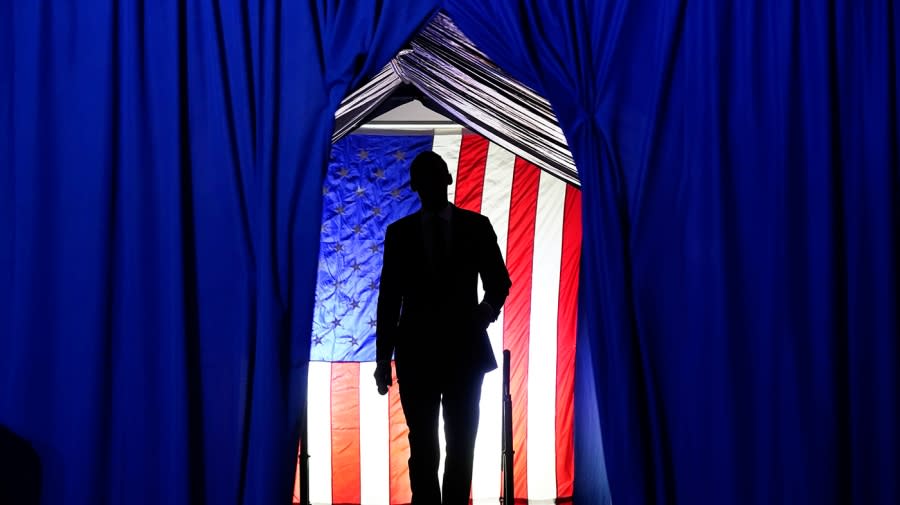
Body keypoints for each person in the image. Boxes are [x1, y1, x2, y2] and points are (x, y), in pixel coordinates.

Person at [374, 151, 511, 505]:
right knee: (424, 445)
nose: (431, 184)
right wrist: (381, 360)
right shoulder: (400, 234)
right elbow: (388, 300)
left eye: (435, 176)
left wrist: (485, 313)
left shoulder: (476, 227)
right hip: (422, 355)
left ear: (446, 180)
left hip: (459, 353)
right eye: (425, 177)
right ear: (417, 185)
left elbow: (499, 282)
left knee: (460, 441)